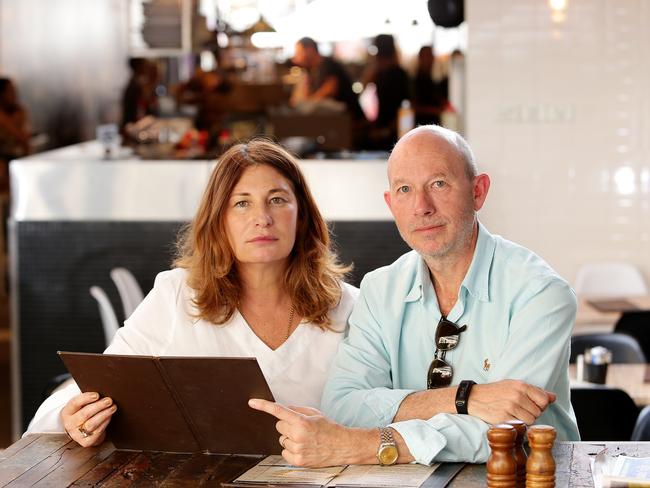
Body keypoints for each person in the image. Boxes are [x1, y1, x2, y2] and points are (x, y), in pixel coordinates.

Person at [250, 125, 579, 467]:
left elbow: (503, 430)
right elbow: (343, 405)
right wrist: (465, 398)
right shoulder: (380, 290)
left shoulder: (541, 292)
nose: (422, 207)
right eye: (405, 189)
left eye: (439, 183)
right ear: (391, 204)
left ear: (478, 192)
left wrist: (363, 444)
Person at [26, 139, 358, 447]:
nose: (263, 218)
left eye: (277, 200)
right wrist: (75, 417)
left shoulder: (352, 307)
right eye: (241, 203)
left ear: (301, 216)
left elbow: (389, 414)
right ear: (218, 221)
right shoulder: (177, 294)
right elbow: (95, 383)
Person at [291, 37, 365, 121]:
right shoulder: (313, 70)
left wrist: (308, 101)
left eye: (299, 52)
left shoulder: (328, 64)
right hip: (338, 122)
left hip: (351, 121)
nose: (297, 57)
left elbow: (329, 91)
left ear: (310, 50)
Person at [362, 34, 410, 149]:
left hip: (392, 129)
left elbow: (404, 106)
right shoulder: (383, 73)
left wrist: (386, 130)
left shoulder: (395, 74)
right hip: (388, 127)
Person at [413, 46, 448, 126]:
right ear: (420, 58)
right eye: (425, 56)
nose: (427, 59)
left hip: (436, 125)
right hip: (419, 125)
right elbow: (413, 106)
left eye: (430, 56)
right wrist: (436, 110)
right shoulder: (414, 81)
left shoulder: (436, 80)